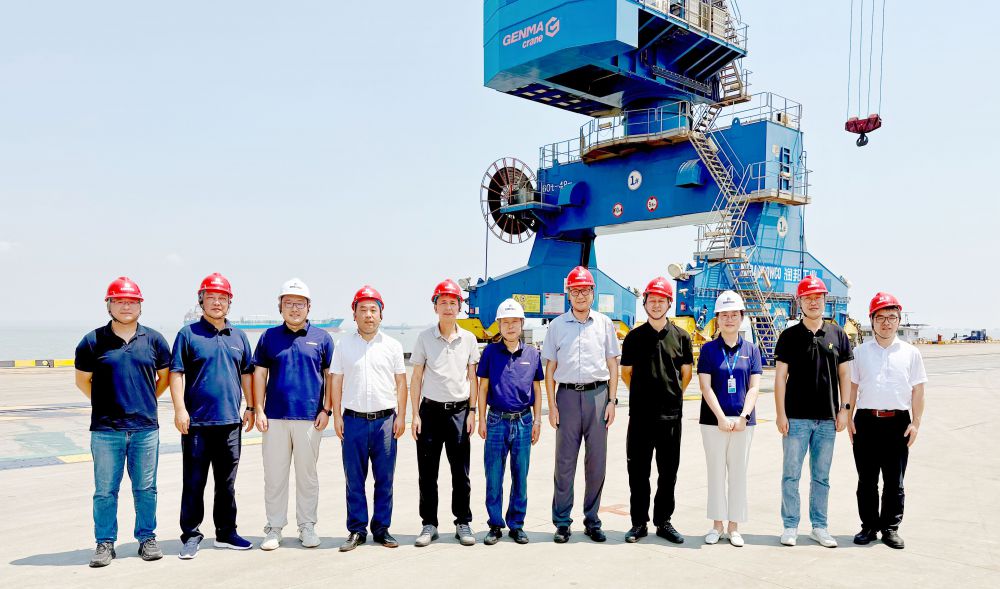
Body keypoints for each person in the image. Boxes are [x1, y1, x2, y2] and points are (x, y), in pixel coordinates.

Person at [74, 277, 171, 567]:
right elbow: (82, 381)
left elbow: (164, 378)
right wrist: (107, 404)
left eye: (131, 302)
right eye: (119, 301)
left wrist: (145, 399)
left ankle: (147, 538)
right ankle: (105, 543)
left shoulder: (154, 340)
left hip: (145, 429)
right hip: (106, 430)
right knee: (105, 490)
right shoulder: (92, 341)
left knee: (146, 488)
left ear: (140, 306)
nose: (126, 306)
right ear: (109, 305)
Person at [169, 272, 255, 559]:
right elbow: (176, 373)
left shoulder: (239, 337)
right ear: (201, 301)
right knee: (194, 482)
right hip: (196, 424)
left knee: (226, 484)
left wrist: (251, 407)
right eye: (211, 297)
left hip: (230, 423)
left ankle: (226, 533)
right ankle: (191, 535)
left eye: (222, 298)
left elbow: (247, 374)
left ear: (230, 302)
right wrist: (180, 409)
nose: (217, 303)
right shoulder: (188, 334)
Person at [253, 278, 334, 550]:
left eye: (300, 303)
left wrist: (327, 409)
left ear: (309, 307)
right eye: (288, 303)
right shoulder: (269, 337)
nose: (294, 308)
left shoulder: (322, 338)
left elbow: (331, 376)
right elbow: (260, 375)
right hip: (274, 418)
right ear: (280, 307)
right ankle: (274, 527)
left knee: (307, 476)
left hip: (310, 418)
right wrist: (259, 409)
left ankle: (307, 526)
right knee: (274, 476)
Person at [542, 266, 621, 544]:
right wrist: (552, 406)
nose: (580, 295)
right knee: (564, 463)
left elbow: (613, 364)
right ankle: (562, 522)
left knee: (596, 462)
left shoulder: (604, 324)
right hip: (566, 397)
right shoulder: (556, 326)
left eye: (585, 290)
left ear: (592, 293)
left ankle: (592, 520)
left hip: (597, 396)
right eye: (575, 291)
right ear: (568, 294)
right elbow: (550, 368)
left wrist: (611, 401)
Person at [774, 275, 853, 548]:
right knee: (791, 475)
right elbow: (780, 377)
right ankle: (790, 526)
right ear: (800, 302)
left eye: (817, 297)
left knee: (821, 477)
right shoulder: (789, 336)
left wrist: (844, 410)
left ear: (824, 300)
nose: (813, 302)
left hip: (827, 420)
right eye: (807, 298)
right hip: (795, 418)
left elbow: (845, 375)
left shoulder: (837, 334)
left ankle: (819, 526)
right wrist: (780, 414)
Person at [329, 285, 408, 552]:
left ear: (381, 314)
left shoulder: (392, 346)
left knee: (385, 479)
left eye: (373, 310)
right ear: (354, 314)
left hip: (385, 422)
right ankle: (357, 530)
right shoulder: (343, 345)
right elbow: (336, 381)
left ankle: (382, 528)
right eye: (362, 310)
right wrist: (337, 416)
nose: (368, 315)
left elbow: (401, 382)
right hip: (353, 421)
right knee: (354, 479)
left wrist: (401, 416)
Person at [847, 292, 927, 549]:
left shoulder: (911, 353)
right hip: (866, 422)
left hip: (897, 423)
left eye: (892, 317)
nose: (886, 323)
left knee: (894, 480)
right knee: (867, 480)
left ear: (899, 320)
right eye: (880, 317)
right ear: (871, 320)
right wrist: (848, 416)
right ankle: (869, 527)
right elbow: (852, 387)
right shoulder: (860, 353)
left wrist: (916, 423)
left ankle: (890, 528)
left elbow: (918, 390)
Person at [620, 276, 692, 544]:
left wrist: (670, 395)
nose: (657, 304)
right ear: (645, 303)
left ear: (669, 303)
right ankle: (638, 523)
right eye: (652, 300)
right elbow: (626, 373)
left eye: (662, 300)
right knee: (638, 472)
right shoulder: (634, 337)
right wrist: (643, 395)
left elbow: (686, 374)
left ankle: (663, 521)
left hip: (670, 417)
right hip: (640, 417)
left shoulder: (681, 337)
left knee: (668, 472)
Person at [410, 279, 481, 547]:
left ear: (459, 307)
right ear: (435, 307)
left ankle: (463, 521)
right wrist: (415, 415)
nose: (448, 307)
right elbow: (416, 377)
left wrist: (472, 411)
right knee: (428, 472)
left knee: (460, 472)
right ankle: (429, 524)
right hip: (429, 412)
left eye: (453, 303)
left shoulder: (469, 339)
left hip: (459, 413)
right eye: (443, 303)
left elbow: (472, 378)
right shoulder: (424, 338)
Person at [696, 290, 762, 547]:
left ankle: (734, 527)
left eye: (734, 314)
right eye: (724, 315)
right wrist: (721, 418)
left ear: (742, 317)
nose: (729, 319)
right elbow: (705, 387)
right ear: (718, 319)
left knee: (738, 474)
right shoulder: (708, 350)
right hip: (714, 422)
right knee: (715, 473)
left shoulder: (751, 350)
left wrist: (744, 416)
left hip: (743, 423)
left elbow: (754, 387)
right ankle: (717, 525)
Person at [476, 298, 543, 545]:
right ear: (499, 325)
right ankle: (495, 525)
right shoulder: (490, 353)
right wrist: (481, 419)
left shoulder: (532, 354)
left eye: (515, 321)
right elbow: (483, 388)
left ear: (522, 323)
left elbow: (537, 390)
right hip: (496, 421)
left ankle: (516, 525)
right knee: (493, 476)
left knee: (520, 475)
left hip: (524, 421)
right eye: (505, 322)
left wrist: (537, 421)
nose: (510, 326)